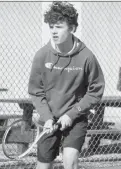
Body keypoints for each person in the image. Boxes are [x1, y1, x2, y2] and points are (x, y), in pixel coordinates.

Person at [28, 1, 105, 169]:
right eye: (51, 27)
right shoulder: (41, 56)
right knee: (43, 166)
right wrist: (47, 117)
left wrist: (72, 114)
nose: (54, 31)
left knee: (70, 161)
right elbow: (36, 92)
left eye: (59, 27)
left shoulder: (87, 57)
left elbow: (95, 90)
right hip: (49, 119)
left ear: (72, 28)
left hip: (75, 118)